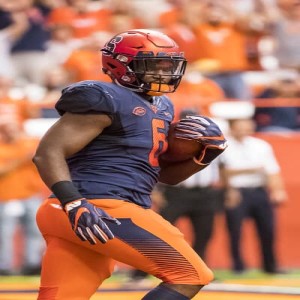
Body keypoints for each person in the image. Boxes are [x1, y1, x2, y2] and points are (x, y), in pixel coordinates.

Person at [32, 29, 227, 300]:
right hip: (98, 207)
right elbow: (47, 153)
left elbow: (165, 177)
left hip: (82, 210)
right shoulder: (104, 96)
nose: (163, 73)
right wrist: (74, 202)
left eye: (168, 65)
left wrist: (204, 156)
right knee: (190, 274)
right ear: (121, 65)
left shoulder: (163, 105)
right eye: (153, 65)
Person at [219, 117, 288, 274]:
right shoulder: (224, 146)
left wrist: (277, 190)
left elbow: (272, 170)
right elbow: (223, 172)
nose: (244, 130)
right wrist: (252, 169)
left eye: (247, 127)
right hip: (236, 191)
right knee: (235, 230)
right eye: (240, 127)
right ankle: (238, 266)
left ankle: (270, 266)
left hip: (259, 190)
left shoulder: (261, 145)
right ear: (232, 128)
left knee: (267, 229)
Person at [0, 120, 44, 275]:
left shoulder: (29, 143)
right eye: (8, 129)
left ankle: (32, 264)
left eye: (14, 129)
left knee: (34, 231)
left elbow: (42, 159)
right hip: (6, 197)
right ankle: (4, 266)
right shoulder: (2, 147)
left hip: (30, 195)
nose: (12, 132)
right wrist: (21, 160)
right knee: (5, 233)